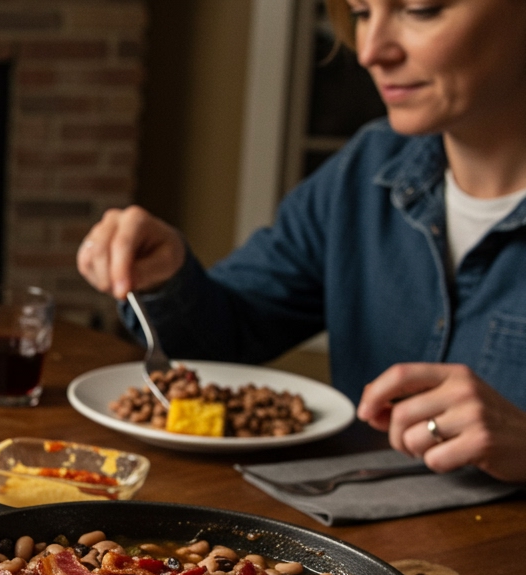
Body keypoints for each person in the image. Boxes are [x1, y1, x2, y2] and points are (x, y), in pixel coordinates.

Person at [76, 0, 526, 483]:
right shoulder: (364, 171)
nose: (370, 51)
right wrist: (165, 276)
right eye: (361, 13)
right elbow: (220, 340)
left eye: (420, 9)